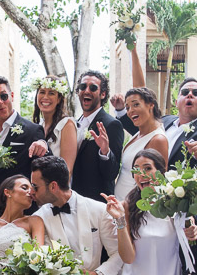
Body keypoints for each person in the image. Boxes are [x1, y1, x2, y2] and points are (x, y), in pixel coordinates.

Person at [111, 55, 197, 168]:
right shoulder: (165, 120)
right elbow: (139, 130)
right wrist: (121, 110)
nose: (190, 94)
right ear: (176, 102)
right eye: (184, 92)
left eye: (195, 92)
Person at [0, 76, 46, 219]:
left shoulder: (32, 130)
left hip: (21, 210)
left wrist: (44, 144)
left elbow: (45, 166)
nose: (0, 102)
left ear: (12, 96)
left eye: (4, 96)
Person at [71, 70, 125, 201]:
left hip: (96, 203)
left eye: (93, 88)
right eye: (83, 87)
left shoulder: (111, 125)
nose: (87, 91)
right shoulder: (74, 124)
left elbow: (111, 173)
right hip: (73, 199)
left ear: (103, 94)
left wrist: (105, 151)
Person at [113, 87, 168, 202]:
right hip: (120, 203)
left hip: (134, 208)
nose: (130, 111)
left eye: (136, 104)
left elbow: (157, 182)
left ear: (151, 105)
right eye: (127, 107)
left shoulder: (157, 139)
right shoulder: (139, 133)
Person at [31, 76, 78, 173]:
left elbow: (67, 171)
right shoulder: (39, 125)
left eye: (51, 93)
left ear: (59, 99)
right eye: (42, 92)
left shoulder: (67, 125)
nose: (45, 97)